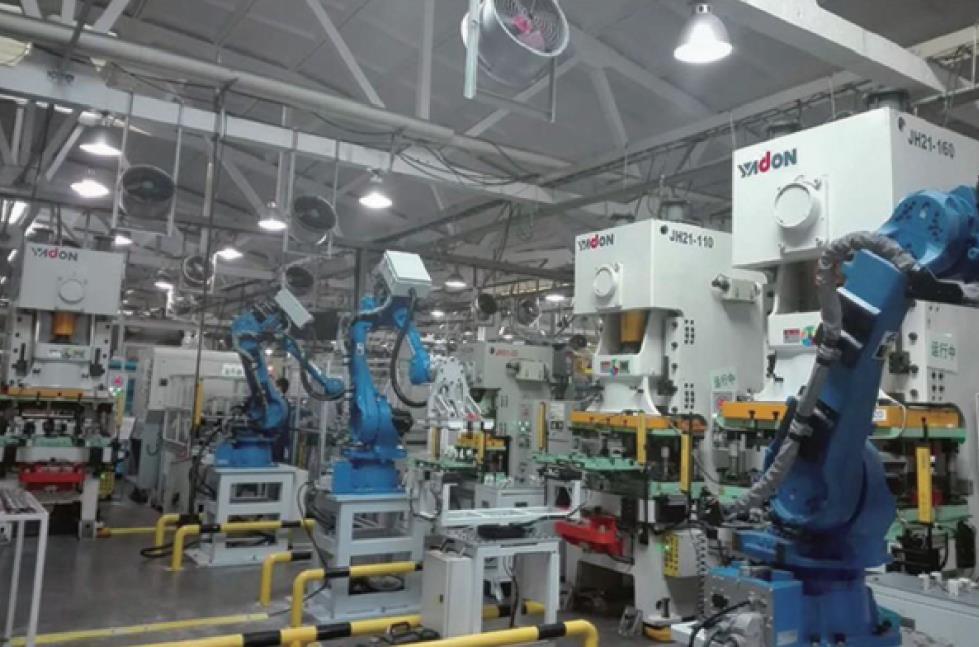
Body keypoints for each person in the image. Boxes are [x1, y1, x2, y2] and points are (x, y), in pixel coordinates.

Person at [271, 376, 291, 462]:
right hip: (277, 436)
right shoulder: (281, 402)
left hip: (278, 437)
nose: (274, 388)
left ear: (280, 387)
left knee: (277, 460)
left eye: (275, 386)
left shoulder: (282, 403)